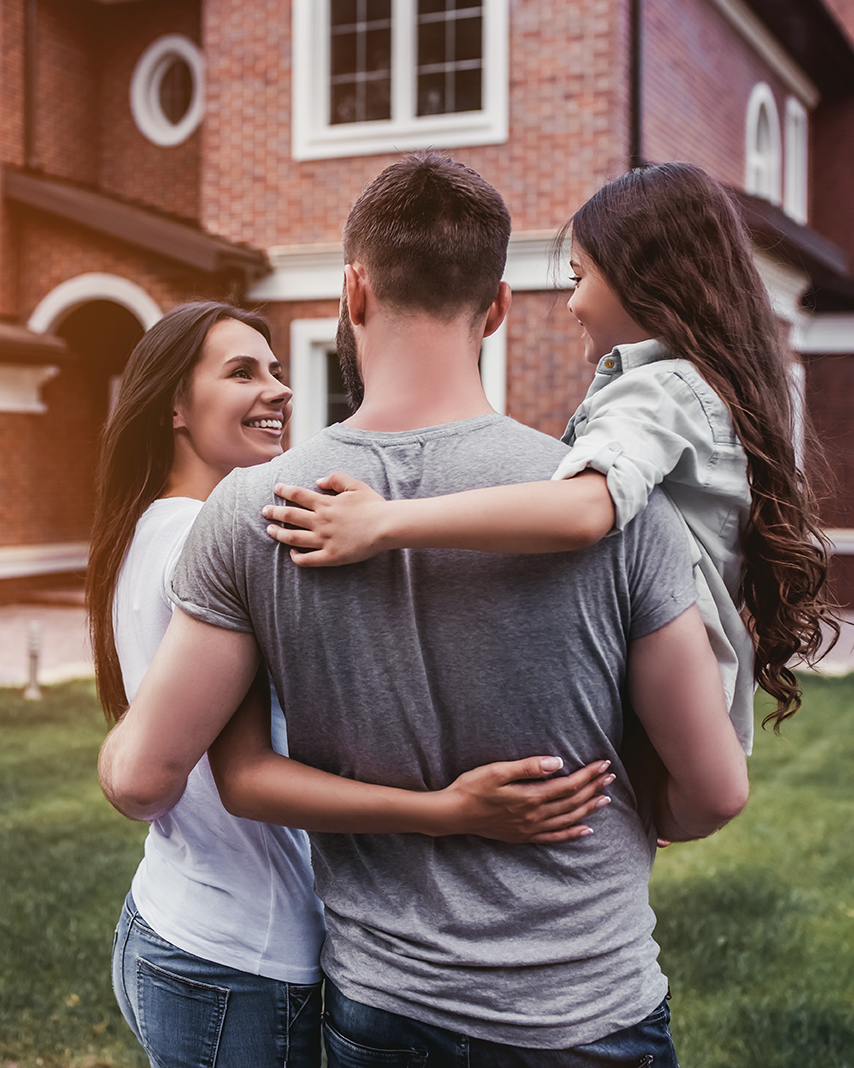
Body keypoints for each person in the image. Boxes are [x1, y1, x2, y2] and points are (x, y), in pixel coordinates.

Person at [98, 155, 749, 1067]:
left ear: (353, 292)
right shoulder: (621, 509)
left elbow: (166, 775)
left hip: (386, 1004)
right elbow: (715, 791)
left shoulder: (256, 511)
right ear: (495, 310)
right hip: (587, 1001)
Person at [89, 300, 612, 1068]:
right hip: (242, 960)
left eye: (274, 369)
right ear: (173, 403)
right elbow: (204, 779)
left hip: (169, 921)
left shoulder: (152, 526)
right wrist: (445, 812)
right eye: (242, 373)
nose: (279, 390)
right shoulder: (212, 541)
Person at [265, 161, 837, 756]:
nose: (571, 303)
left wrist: (383, 524)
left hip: (667, 693)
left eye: (578, 275)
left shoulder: (663, 390)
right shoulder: (699, 390)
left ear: (643, 280)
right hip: (687, 701)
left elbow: (585, 510)